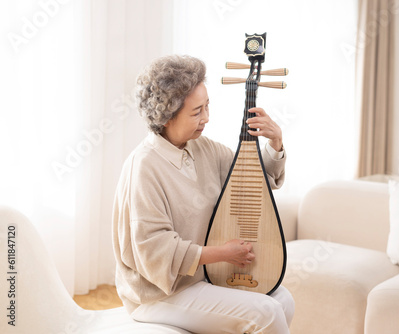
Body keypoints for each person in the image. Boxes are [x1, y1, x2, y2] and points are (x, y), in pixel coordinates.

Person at [112, 54, 294, 334]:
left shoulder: (203, 148)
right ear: (167, 115)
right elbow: (154, 248)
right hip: (159, 294)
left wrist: (275, 142)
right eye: (197, 112)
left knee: (283, 300)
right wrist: (222, 253)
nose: (206, 118)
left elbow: (252, 181)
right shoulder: (144, 167)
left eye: (207, 106)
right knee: (266, 312)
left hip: (202, 279)